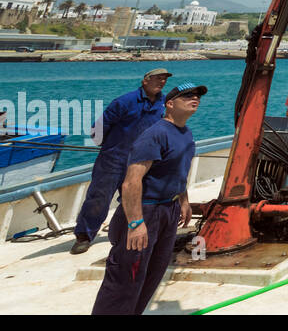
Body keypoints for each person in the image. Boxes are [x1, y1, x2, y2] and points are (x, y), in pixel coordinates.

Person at [91, 80, 206, 315]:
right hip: (145, 210)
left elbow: (178, 171)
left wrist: (183, 200)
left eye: (197, 96)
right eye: (187, 96)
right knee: (127, 275)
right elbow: (131, 182)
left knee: (153, 273)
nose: (195, 99)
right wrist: (135, 223)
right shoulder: (155, 134)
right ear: (170, 104)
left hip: (169, 209)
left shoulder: (185, 133)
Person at [71, 68, 171, 255]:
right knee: (99, 197)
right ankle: (84, 235)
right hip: (113, 159)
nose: (162, 82)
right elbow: (97, 131)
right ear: (145, 81)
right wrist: (108, 147)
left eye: (164, 79)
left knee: (141, 197)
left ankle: (135, 231)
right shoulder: (125, 102)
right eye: (158, 78)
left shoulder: (164, 104)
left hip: (142, 160)